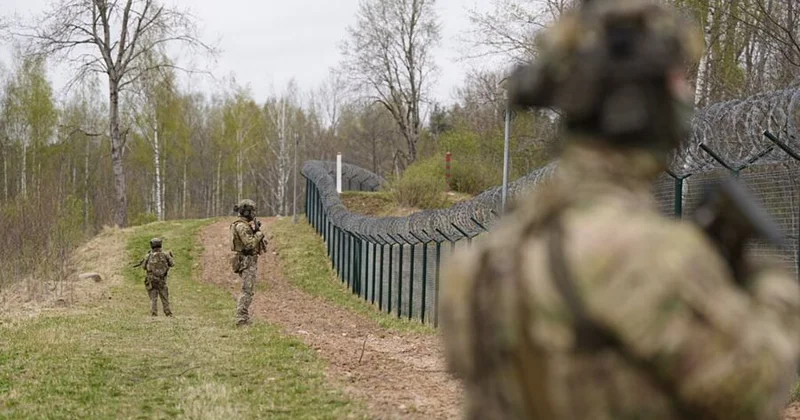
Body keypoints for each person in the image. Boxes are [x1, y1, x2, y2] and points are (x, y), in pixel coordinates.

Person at [438, 1, 800, 419]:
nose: (685, 95)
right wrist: (767, 280)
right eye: (675, 80)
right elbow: (751, 391)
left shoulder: (487, 258)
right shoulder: (647, 255)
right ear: (635, 105)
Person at [230, 198, 267, 326]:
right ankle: (241, 318)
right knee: (247, 290)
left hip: (248, 260)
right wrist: (258, 235)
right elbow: (250, 244)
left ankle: (243, 317)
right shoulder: (241, 226)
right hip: (246, 261)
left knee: (248, 290)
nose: (254, 214)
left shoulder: (245, 225)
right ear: (246, 212)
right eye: (252, 211)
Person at [137, 237, 175, 317]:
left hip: (151, 280)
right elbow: (172, 264)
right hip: (162, 280)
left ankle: (153, 313)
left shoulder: (148, 255)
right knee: (164, 297)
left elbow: (143, 267)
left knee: (153, 297)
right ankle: (168, 312)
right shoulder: (165, 254)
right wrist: (171, 256)